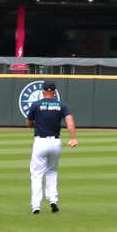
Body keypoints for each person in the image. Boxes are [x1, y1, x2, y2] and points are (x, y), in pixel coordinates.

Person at [26, 81, 78, 215]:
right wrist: (73, 138)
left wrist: (34, 124)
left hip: (40, 141)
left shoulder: (36, 104)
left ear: (43, 92)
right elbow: (70, 121)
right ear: (54, 92)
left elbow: (28, 122)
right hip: (55, 142)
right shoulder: (62, 105)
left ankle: (36, 205)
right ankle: (53, 200)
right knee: (52, 172)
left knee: (37, 174)